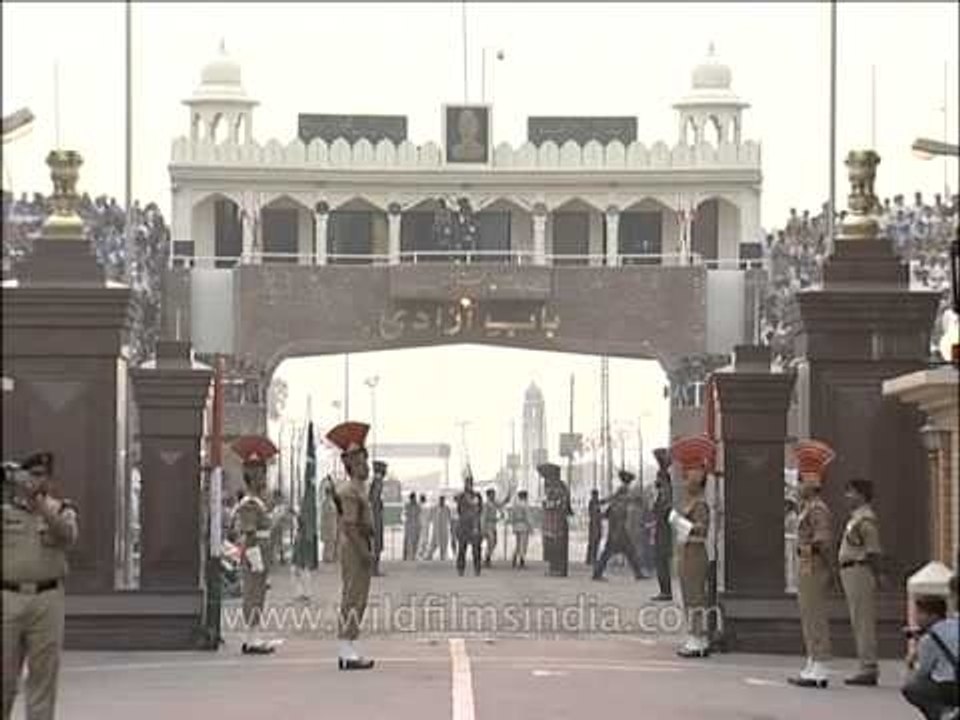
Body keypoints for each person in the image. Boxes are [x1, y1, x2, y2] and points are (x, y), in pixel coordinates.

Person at [2, 452, 78, 720]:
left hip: (47, 600)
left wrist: (40, 506)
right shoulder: (5, 511)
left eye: (42, 476)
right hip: (8, 599)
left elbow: (67, 536)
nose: (37, 481)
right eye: (31, 475)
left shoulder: (61, 510)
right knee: (4, 680)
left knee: (42, 680)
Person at [326, 421, 376, 671]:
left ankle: (350, 646)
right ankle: (346, 649)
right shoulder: (348, 490)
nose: (365, 465)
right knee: (353, 596)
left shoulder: (358, 488)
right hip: (355, 547)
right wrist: (365, 552)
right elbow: (350, 526)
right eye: (360, 462)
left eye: (364, 460)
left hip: (360, 544)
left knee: (358, 597)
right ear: (351, 465)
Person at [787, 439, 836, 688]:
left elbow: (823, 540)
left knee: (815, 615)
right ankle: (812, 660)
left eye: (800, 480)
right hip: (806, 565)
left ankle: (821, 665)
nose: (797, 485)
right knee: (808, 614)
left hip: (814, 566)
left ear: (811, 481)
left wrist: (804, 548)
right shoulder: (806, 508)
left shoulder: (818, 509)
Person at [234, 440, 282, 655]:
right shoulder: (249, 503)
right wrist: (255, 559)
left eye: (262, 471)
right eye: (259, 473)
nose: (263, 477)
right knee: (253, 594)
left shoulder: (258, 501)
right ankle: (251, 639)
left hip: (261, 550)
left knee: (258, 594)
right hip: (255, 552)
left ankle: (254, 636)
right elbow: (250, 532)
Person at [670, 435, 715, 658]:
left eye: (688, 476)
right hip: (686, 553)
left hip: (695, 553)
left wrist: (679, 523)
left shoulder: (700, 504)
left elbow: (702, 529)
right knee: (689, 596)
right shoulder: (689, 501)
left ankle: (698, 638)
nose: (685, 481)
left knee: (696, 596)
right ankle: (694, 636)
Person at [839, 478, 883, 686]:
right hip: (851, 571)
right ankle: (865, 663)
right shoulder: (855, 518)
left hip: (860, 570)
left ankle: (868, 666)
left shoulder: (865, 520)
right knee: (858, 619)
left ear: (862, 495)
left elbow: (873, 550)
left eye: (851, 492)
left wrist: (878, 573)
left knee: (863, 619)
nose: (847, 496)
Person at [902, 594, 959, 720]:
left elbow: (923, 673)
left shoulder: (929, 639)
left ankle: (943, 714)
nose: (916, 618)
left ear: (932, 616)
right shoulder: (956, 624)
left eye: (919, 614)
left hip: (950, 686)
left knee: (912, 687)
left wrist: (912, 659)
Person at [592, 470, 645, 581]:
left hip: (617, 525)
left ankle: (638, 573)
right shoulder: (624, 491)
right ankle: (597, 573)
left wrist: (603, 502)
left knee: (628, 551)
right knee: (617, 551)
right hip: (618, 526)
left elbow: (613, 499)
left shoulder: (621, 492)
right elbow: (623, 501)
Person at [541, 463, 573, 577]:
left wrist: (546, 504)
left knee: (555, 545)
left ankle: (556, 569)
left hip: (555, 521)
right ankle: (558, 569)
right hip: (558, 520)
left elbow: (556, 503)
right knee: (558, 545)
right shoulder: (562, 485)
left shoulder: (554, 486)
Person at [651, 448, 674, 601]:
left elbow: (663, 510)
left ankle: (665, 591)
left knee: (661, 560)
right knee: (660, 560)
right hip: (662, 529)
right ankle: (664, 590)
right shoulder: (664, 492)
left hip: (664, 530)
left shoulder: (666, 493)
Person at [454, 469, 484, 576]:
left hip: (474, 525)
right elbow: (459, 510)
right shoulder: (461, 496)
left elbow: (480, 510)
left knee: (476, 549)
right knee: (462, 548)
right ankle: (461, 568)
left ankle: (477, 568)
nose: (469, 485)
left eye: (470, 483)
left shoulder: (477, 496)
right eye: (467, 483)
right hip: (464, 526)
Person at [482, 487, 513, 568]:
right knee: (491, 541)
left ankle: (487, 557)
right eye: (492, 494)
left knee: (494, 542)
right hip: (488, 525)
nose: (494, 496)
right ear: (488, 495)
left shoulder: (494, 503)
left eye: (494, 494)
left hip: (493, 525)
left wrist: (508, 497)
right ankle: (487, 558)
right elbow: (483, 517)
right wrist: (482, 527)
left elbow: (502, 504)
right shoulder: (486, 504)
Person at [368, 461, 387, 576]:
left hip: (375, 516)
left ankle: (374, 569)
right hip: (375, 518)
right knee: (376, 544)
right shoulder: (378, 483)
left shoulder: (375, 482)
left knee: (376, 544)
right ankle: (374, 569)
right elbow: (374, 499)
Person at [509, 490, 533, 569]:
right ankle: (522, 561)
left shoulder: (515, 505)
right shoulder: (525, 505)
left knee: (518, 543)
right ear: (525, 496)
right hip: (524, 525)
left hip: (516, 525)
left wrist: (513, 525)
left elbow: (512, 516)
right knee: (524, 544)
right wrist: (531, 527)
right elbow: (528, 517)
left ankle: (514, 557)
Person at [426, 496, 451, 561]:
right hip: (436, 529)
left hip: (444, 529)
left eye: (443, 500)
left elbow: (449, 518)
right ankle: (429, 556)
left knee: (444, 544)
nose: (442, 502)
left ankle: (443, 556)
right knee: (433, 544)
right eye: (441, 500)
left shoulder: (447, 508)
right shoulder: (434, 508)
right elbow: (429, 518)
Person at [320, 479, 339, 564]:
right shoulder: (326, 503)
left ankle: (329, 557)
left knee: (330, 542)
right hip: (329, 526)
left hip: (331, 525)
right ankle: (327, 558)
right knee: (328, 543)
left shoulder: (330, 502)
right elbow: (328, 514)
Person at [586, 489, 602, 566]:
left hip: (596, 524)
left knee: (595, 542)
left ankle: (591, 559)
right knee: (593, 542)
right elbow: (593, 514)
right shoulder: (592, 503)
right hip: (594, 525)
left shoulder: (596, 502)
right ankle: (591, 559)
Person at [403, 492, 420, 561]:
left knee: (415, 541)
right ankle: (405, 556)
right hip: (409, 525)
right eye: (412, 498)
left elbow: (418, 514)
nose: (413, 500)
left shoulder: (417, 506)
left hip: (415, 525)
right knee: (407, 541)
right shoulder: (407, 505)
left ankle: (414, 555)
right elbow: (406, 514)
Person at [417, 494, 432, 560]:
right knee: (425, 539)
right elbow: (430, 516)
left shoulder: (420, 506)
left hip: (421, 524)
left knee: (421, 539)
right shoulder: (427, 506)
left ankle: (421, 553)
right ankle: (425, 553)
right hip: (426, 524)